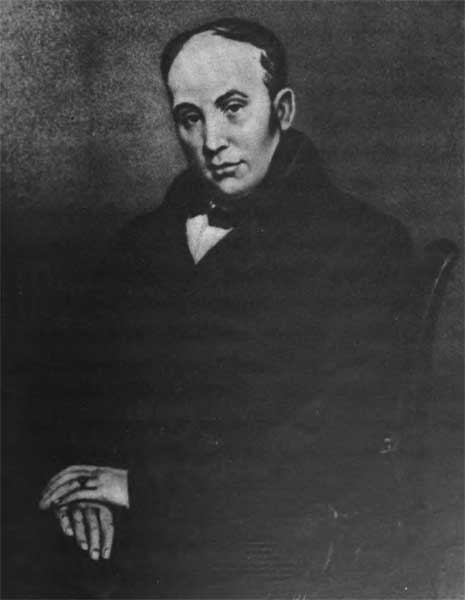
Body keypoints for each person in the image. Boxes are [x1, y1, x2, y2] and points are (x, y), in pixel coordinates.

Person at [39, 18, 413, 596]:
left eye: (233, 108)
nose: (211, 140)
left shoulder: (364, 244)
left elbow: (335, 439)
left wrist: (137, 488)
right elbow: (79, 387)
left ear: (281, 110)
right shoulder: (143, 241)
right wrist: (83, 491)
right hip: (135, 539)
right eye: (190, 118)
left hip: (276, 549)